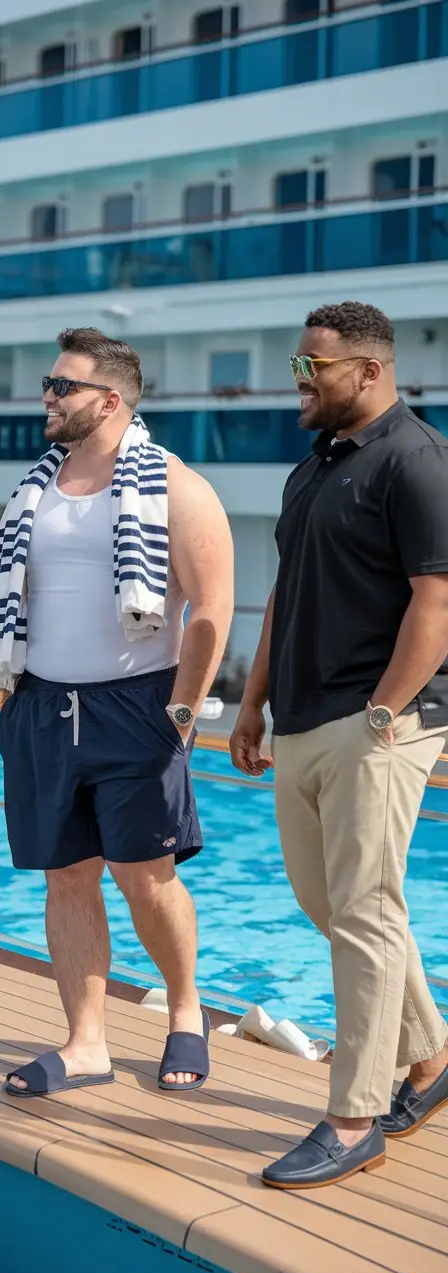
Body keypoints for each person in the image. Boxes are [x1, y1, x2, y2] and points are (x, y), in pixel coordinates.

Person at [0, 327, 233, 1097]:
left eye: (63, 386)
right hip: (42, 705)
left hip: (136, 710)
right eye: (49, 384)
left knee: (144, 877)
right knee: (66, 878)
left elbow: (213, 604)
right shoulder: (37, 488)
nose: (47, 398)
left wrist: (182, 715)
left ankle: (184, 1013)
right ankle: (86, 1043)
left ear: (110, 400)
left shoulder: (175, 485)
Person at [230, 301, 448, 1190]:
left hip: (379, 722)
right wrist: (251, 703)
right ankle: (432, 1057)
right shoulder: (314, 467)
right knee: (332, 905)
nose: (300, 380)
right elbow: (286, 594)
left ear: (368, 371)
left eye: (312, 366)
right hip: (304, 719)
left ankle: (354, 1115)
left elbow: (436, 606)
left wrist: (386, 716)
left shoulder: (418, 463)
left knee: (362, 914)